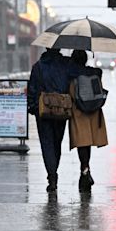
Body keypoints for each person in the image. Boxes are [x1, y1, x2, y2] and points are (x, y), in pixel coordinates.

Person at [28, 48, 71, 192]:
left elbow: (32, 89)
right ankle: (53, 171)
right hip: (61, 110)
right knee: (57, 143)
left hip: (43, 111)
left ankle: (52, 175)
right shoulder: (66, 64)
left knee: (47, 144)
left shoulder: (38, 66)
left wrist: (33, 108)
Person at [68, 50, 108, 192]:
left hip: (79, 112)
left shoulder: (72, 76)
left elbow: (71, 94)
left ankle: (85, 171)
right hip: (93, 112)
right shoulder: (94, 73)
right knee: (88, 144)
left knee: (82, 144)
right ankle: (85, 171)